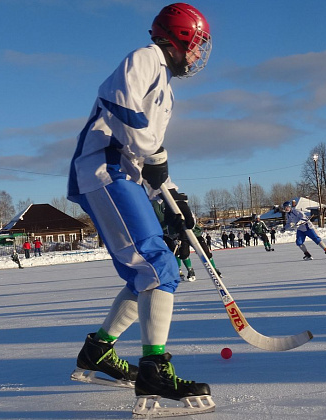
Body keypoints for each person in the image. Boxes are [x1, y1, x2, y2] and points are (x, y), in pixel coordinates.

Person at [66, 3, 213, 412]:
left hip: (123, 175)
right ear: (180, 37)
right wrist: (156, 157)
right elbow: (122, 110)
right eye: (197, 44)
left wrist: (173, 198)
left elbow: (149, 156)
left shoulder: (165, 86)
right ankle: (154, 370)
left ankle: (97, 351)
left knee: (143, 277)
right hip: (104, 170)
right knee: (158, 267)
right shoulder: (145, 58)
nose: (199, 54)